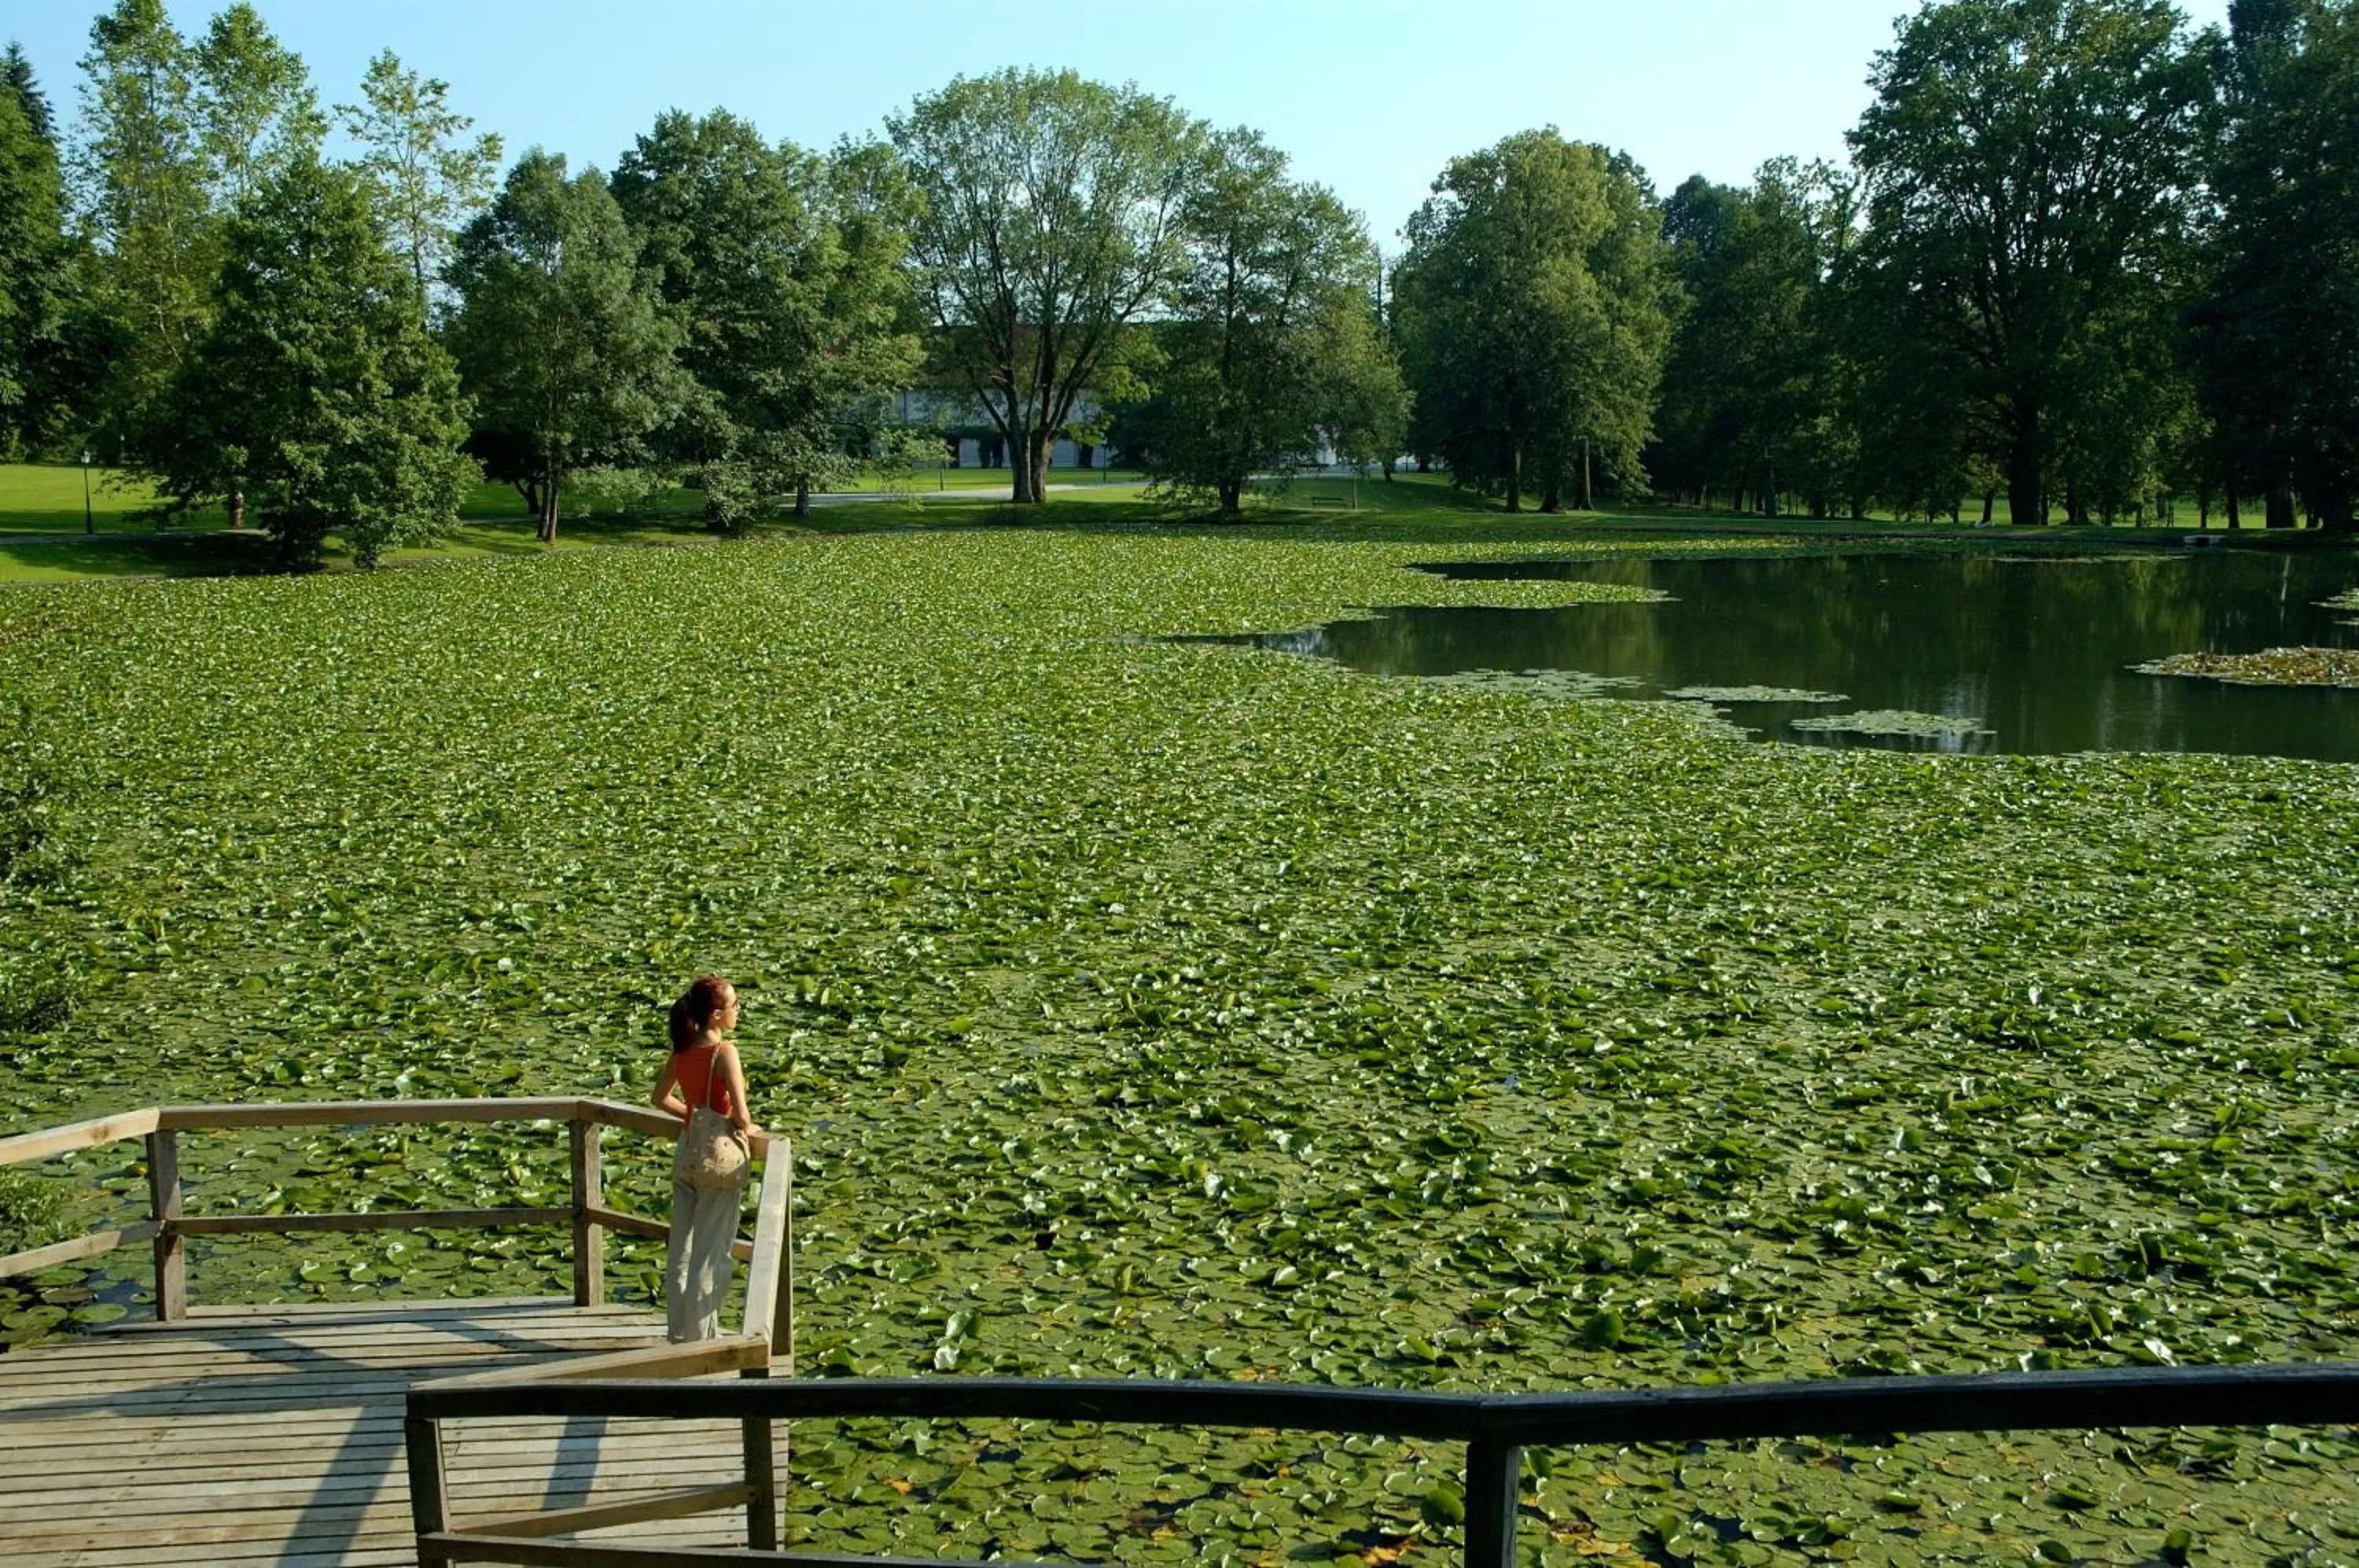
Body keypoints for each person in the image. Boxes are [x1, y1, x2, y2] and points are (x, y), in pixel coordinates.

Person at [650, 974, 764, 1342]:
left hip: (688, 1150)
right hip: (717, 1160)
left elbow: (659, 1098)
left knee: (681, 1251)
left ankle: (678, 1334)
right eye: (734, 1005)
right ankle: (700, 1342)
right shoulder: (724, 1052)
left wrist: (694, 1116)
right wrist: (746, 1127)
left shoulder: (683, 1050)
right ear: (716, 1015)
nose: (738, 1011)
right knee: (710, 1254)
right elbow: (742, 1116)